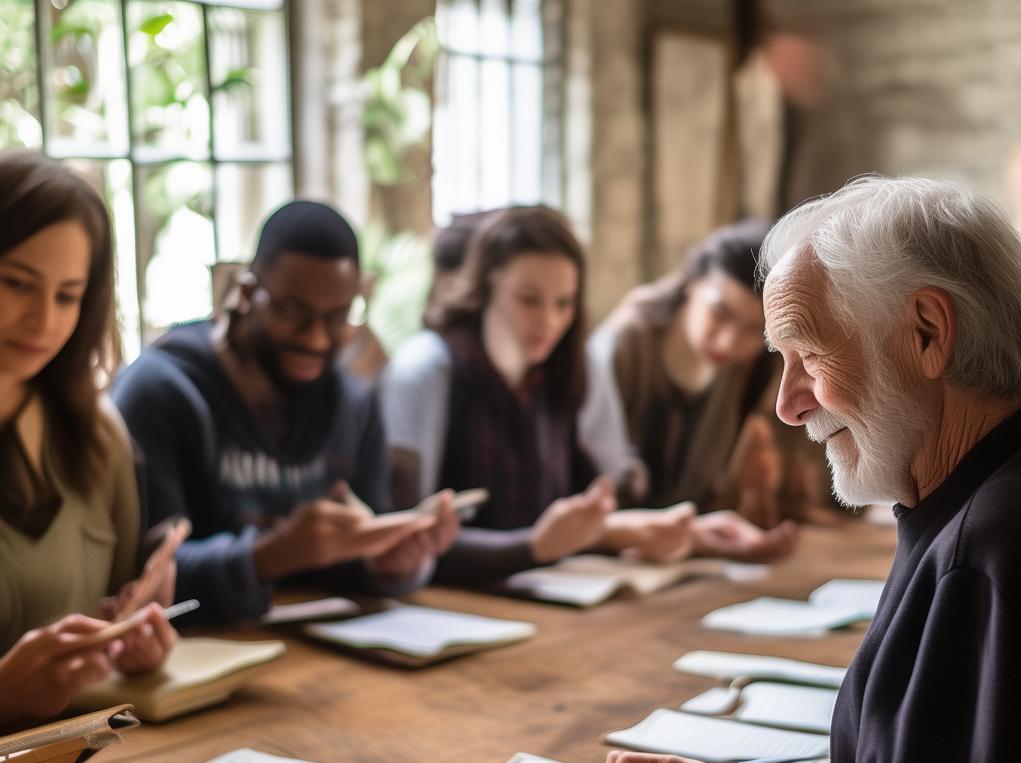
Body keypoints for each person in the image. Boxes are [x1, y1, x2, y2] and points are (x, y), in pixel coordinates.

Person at [533, 176, 1021, 763]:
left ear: (927, 332)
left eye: (807, 355)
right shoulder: (964, 500)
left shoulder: (993, 545)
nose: (788, 402)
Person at [382, 205, 796, 586]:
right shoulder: (426, 369)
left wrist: (669, 532)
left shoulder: (567, 368)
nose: (548, 321)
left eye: (564, 304)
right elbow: (406, 539)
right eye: (528, 300)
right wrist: (536, 547)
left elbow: (584, 510)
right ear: (485, 286)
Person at [113, 200, 460, 623]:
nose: (315, 339)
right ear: (245, 293)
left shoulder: (352, 399)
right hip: (195, 657)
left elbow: (362, 551)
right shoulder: (160, 392)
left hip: (325, 655)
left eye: (336, 317)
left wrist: (388, 562)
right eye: (292, 312)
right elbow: (141, 579)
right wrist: (270, 555)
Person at [0, 150, 175, 726]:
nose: (43, 321)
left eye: (68, 296)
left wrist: (128, 638)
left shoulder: (97, 434)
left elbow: (106, 607)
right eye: (17, 284)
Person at [584, 220, 826, 526]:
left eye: (754, 330)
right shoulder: (627, 345)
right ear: (693, 282)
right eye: (720, 313)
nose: (729, 341)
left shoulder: (754, 367)